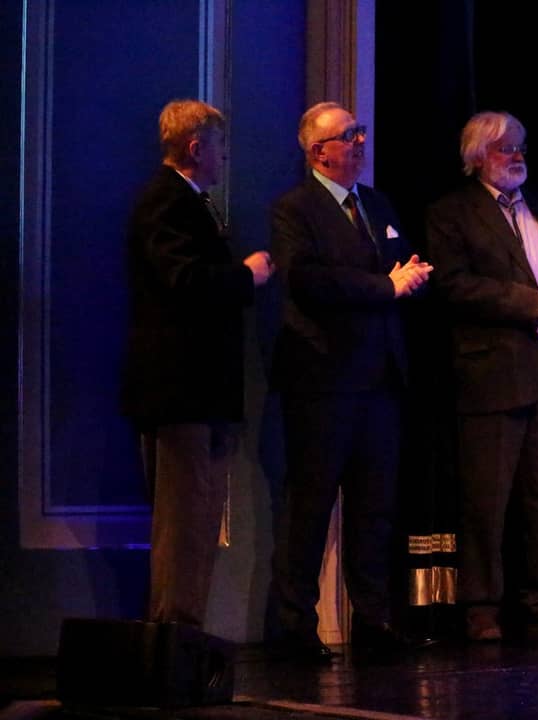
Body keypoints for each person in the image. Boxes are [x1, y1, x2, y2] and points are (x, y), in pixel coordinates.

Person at [267, 101, 432, 662]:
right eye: (349, 135)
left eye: (360, 132)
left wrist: (412, 276)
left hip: (381, 380)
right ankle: (295, 627)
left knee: (374, 508)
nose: (360, 142)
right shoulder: (295, 209)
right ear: (319, 152)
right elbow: (308, 281)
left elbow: (401, 264)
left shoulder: (376, 203)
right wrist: (385, 286)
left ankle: (373, 620)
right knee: (310, 508)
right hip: (323, 381)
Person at [426, 111, 538, 641]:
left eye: (520, 147)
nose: (517, 157)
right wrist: (530, 304)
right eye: (504, 149)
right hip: (492, 373)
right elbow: (455, 284)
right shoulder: (453, 213)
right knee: (487, 498)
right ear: (478, 156)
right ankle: (481, 606)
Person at [121, 99, 274, 628]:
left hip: (200, 393)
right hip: (180, 392)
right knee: (184, 523)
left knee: (199, 520)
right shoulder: (165, 201)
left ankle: (182, 639)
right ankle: (173, 640)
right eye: (220, 145)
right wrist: (246, 275)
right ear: (196, 147)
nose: (225, 156)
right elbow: (183, 281)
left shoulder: (187, 201)